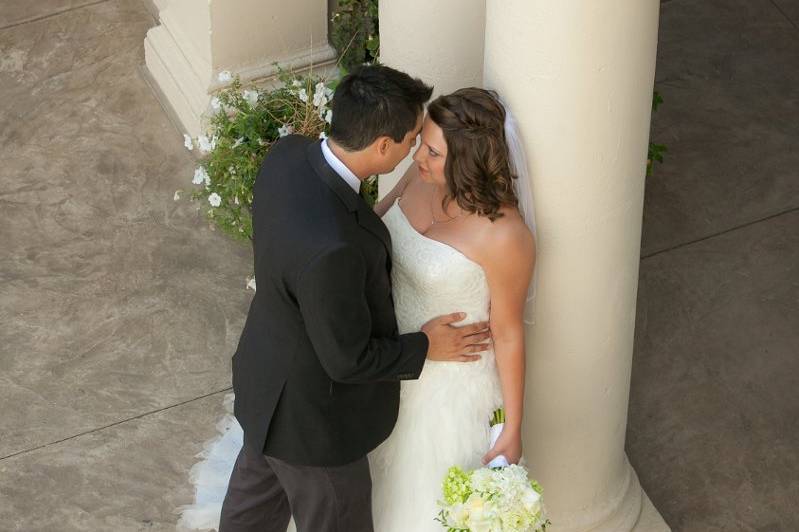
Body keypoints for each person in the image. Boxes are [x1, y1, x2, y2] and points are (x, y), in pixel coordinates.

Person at [216, 66, 493, 532]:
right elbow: (348, 360)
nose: (413, 152)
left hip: (264, 381)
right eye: (410, 141)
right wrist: (426, 345)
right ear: (382, 145)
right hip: (315, 424)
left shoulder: (288, 156)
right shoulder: (335, 248)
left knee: (251, 511)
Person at [367, 87, 537, 531]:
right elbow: (368, 226)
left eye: (433, 152)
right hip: (387, 352)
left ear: (467, 161)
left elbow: (509, 332)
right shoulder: (418, 175)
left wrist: (513, 427)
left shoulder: (505, 237)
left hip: (448, 390)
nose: (418, 156)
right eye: (422, 142)